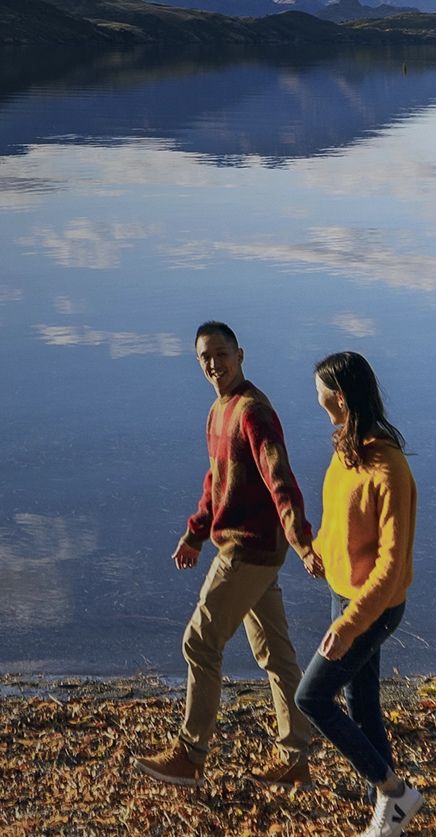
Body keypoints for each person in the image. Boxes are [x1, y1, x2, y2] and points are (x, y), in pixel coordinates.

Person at [137, 321, 320, 791]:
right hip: (247, 545)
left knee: (200, 643)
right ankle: (296, 758)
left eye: (222, 354)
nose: (214, 364)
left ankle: (191, 755)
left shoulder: (253, 412)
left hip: (248, 548)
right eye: (205, 358)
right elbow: (216, 480)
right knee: (276, 655)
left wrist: (301, 540)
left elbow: (281, 478)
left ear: (241, 354)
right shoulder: (219, 410)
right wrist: (196, 533)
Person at [295, 349, 425, 837]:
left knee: (312, 698)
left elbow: (391, 568)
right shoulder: (348, 447)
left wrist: (350, 625)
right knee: (362, 704)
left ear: (341, 397)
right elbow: (340, 518)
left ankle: (396, 793)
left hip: (374, 607)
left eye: (322, 395)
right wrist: (319, 552)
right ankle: (389, 832)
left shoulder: (387, 466)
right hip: (344, 592)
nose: (319, 403)